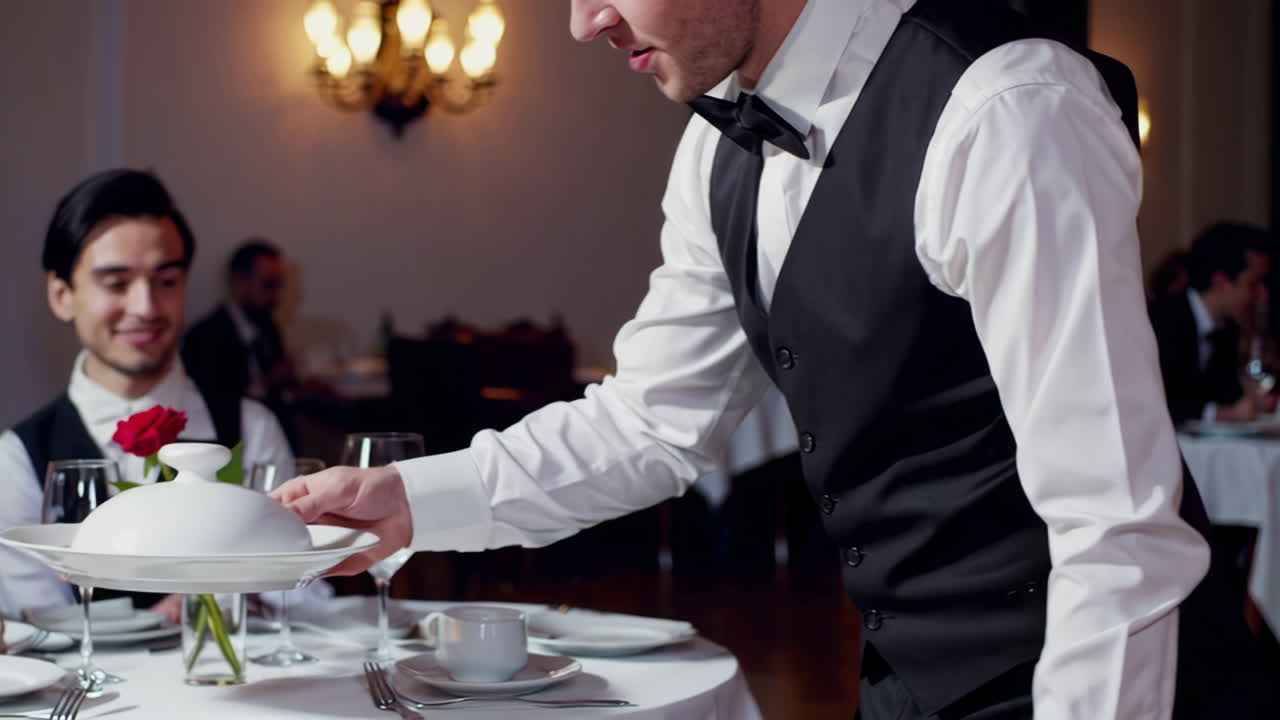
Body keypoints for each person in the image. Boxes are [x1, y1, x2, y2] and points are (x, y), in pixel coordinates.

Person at [274, 1, 1260, 718]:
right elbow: (649, 422)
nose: (584, 22)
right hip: (903, 685)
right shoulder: (714, 152)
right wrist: (412, 498)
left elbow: (1115, 526)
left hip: (1102, 683)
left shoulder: (1004, 107)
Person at [0, 169, 294, 620]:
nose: (146, 308)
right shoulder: (17, 458)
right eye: (116, 284)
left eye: (167, 281)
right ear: (62, 296)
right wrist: (156, 619)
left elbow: (300, 594)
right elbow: (36, 619)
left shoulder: (252, 428)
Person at [1149, 222, 1272, 425]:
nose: (1263, 295)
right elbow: (1156, 399)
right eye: (1253, 284)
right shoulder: (1161, 320)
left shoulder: (1227, 329)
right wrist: (1219, 414)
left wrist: (1252, 404)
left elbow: (1227, 394)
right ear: (1221, 282)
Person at [183, 239, 298, 447]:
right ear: (238, 281)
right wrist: (267, 383)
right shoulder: (205, 336)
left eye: (279, 286)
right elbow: (212, 404)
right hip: (234, 449)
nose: (277, 296)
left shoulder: (268, 327)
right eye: (268, 285)